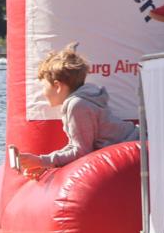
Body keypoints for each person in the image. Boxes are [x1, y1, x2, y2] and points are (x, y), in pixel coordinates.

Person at [12, 44, 137, 178]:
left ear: (57, 86)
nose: (43, 92)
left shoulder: (77, 105)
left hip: (136, 148)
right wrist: (44, 163)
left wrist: (42, 161)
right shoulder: (82, 100)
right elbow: (75, 146)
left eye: (44, 86)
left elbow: (81, 152)